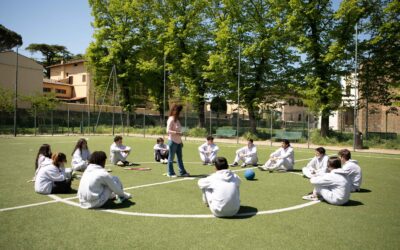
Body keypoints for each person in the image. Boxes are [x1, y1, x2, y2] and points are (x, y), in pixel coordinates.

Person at [166, 104, 190, 177]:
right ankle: (170, 173)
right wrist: (177, 133)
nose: (180, 113)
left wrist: (181, 141)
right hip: (172, 142)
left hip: (178, 142)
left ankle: (182, 172)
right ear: (174, 111)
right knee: (171, 158)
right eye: (179, 111)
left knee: (180, 158)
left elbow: (179, 132)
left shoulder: (177, 120)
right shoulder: (171, 119)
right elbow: (168, 131)